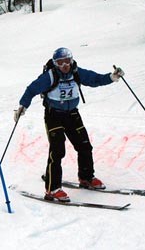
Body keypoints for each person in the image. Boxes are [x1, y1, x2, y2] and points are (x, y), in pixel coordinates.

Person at [14, 47, 124, 202]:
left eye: (67, 61)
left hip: (72, 114)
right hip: (54, 115)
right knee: (57, 150)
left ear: (71, 60)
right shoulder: (50, 76)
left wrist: (112, 77)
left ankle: (86, 178)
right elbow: (32, 89)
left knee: (84, 145)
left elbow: (95, 79)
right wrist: (22, 106)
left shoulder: (76, 72)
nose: (65, 65)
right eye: (60, 62)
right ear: (55, 63)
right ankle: (52, 189)